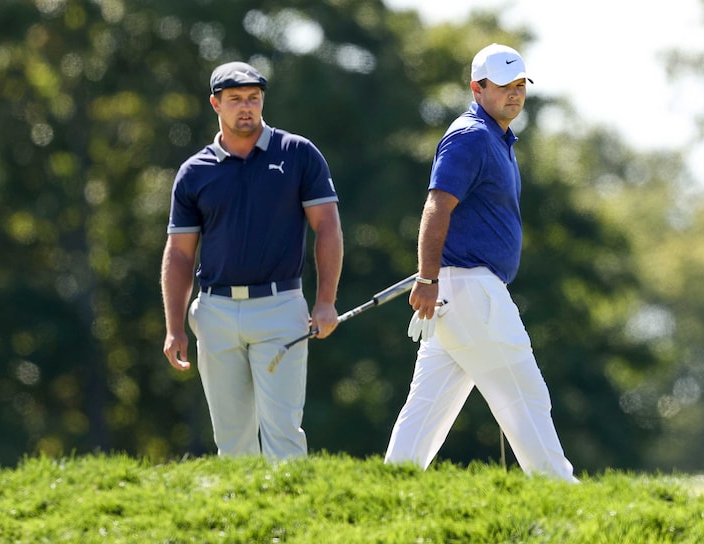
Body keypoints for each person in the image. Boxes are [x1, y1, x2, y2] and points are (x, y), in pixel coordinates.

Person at [384, 44, 578, 482]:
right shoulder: (470, 136)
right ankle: (561, 490)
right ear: (477, 88)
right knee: (525, 394)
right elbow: (437, 207)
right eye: (503, 86)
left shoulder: (496, 138)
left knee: (428, 406)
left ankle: (392, 486)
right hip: (470, 289)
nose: (514, 94)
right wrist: (427, 278)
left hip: (462, 291)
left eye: (519, 85)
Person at [161, 61, 343, 459]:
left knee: (283, 433)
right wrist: (175, 327)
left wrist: (325, 300)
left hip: (280, 309)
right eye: (235, 99)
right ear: (216, 104)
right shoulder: (195, 172)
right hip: (215, 311)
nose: (246, 107)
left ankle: (291, 521)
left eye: (254, 99)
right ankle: (242, 521)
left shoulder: (297, 154)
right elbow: (178, 254)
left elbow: (327, 228)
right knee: (232, 439)